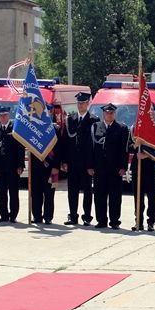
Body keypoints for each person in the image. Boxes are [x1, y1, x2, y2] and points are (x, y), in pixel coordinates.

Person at [90, 103, 129, 229]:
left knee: (115, 197)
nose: (109, 114)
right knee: (99, 196)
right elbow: (91, 148)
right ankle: (101, 220)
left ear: (115, 114)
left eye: (111, 112)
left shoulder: (122, 128)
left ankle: (114, 221)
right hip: (99, 168)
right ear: (103, 114)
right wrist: (90, 165)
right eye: (107, 112)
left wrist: (123, 167)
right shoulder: (96, 127)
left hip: (115, 169)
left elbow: (125, 149)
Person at [62, 92, 98, 225]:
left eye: (83, 103)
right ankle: (73, 216)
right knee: (72, 190)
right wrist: (64, 161)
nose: (80, 105)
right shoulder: (70, 119)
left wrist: (92, 165)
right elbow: (65, 141)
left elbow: (95, 146)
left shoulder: (93, 120)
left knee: (87, 191)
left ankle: (87, 217)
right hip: (72, 162)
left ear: (88, 104)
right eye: (78, 103)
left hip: (86, 163)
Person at [130, 110, 155, 232]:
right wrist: (135, 146)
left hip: (152, 167)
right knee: (138, 196)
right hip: (138, 167)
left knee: (152, 196)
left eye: (151, 113)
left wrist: (147, 156)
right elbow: (128, 147)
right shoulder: (134, 128)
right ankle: (138, 221)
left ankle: (151, 221)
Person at [0, 106, 25, 223]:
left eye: (5, 115)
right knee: (2, 192)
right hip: (0, 167)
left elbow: (20, 148)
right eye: (0, 116)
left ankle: (13, 215)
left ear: (9, 115)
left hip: (13, 166)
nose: (3, 117)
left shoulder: (15, 128)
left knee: (13, 192)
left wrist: (20, 165)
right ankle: (3, 215)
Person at [30, 118, 62, 225]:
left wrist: (56, 166)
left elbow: (59, 149)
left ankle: (48, 217)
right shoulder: (33, 128)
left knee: (50, 193)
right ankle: (37, 216)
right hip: (36, 167)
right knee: (36, 193)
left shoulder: (55, 129)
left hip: (52, 168)